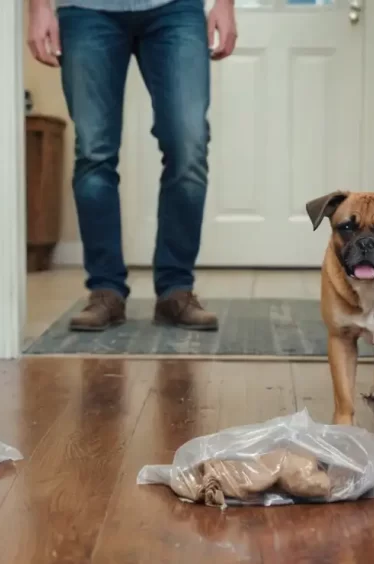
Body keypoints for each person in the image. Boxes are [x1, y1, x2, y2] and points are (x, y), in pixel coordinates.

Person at [27, 0, 237, 332]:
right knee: (94, 154)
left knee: (188, 145)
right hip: (86, 10)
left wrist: (225, 4)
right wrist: (38, 7)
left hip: (175, 8)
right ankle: (105, 290)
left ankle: (175, 290)